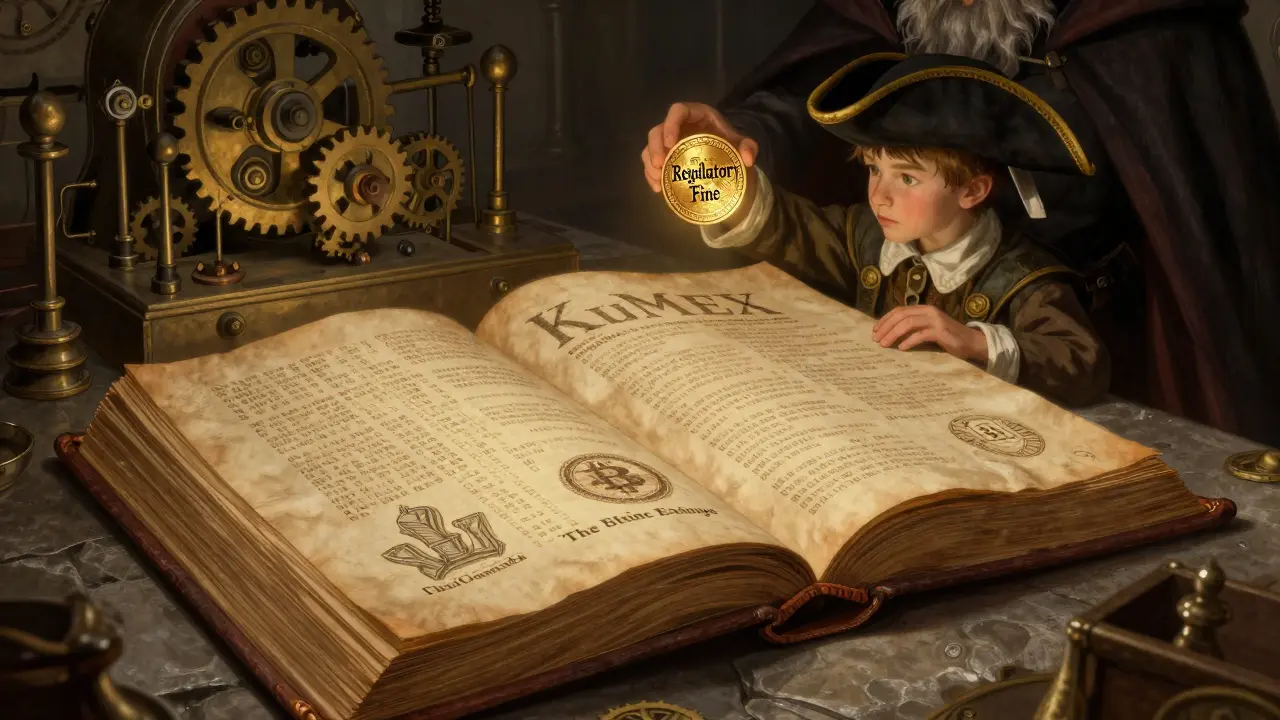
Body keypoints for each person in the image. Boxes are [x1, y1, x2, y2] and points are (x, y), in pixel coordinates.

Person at [641, 0, 1280, 446]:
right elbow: (811, 98)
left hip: (1113, 345)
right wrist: (735, 145)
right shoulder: (870, 231)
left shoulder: (1148, 21)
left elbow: (1192, 185)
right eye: (875, 173)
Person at [693, 52, 1109, 407]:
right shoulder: (865, 237)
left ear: (972, 190)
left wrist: (973, 342)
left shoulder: (1025, 279)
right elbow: (789, 229)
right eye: (875, 169)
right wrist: (716, 179)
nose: (880, 196)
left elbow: (1083, 361)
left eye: (907, 178)